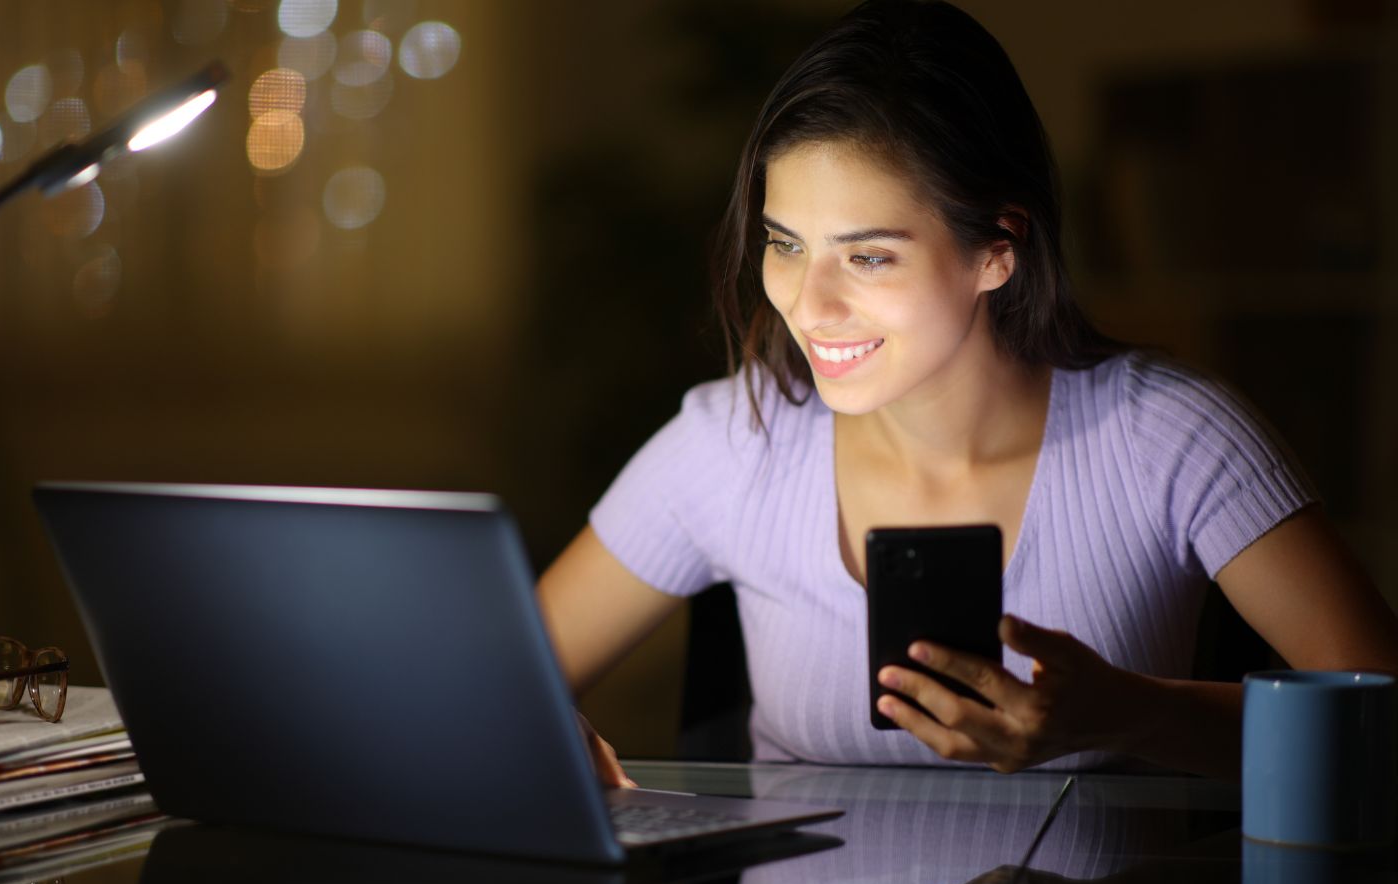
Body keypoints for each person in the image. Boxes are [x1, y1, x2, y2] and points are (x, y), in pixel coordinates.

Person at [535, 0, 1398, 784]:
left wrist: (1134, 713)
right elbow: (494, 688)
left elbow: (1383, 718)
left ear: (997, 249)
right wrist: (549, 749)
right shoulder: (734, 443)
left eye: (868, 256)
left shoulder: (1167, 437)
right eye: (785, 243)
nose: (808, 302)